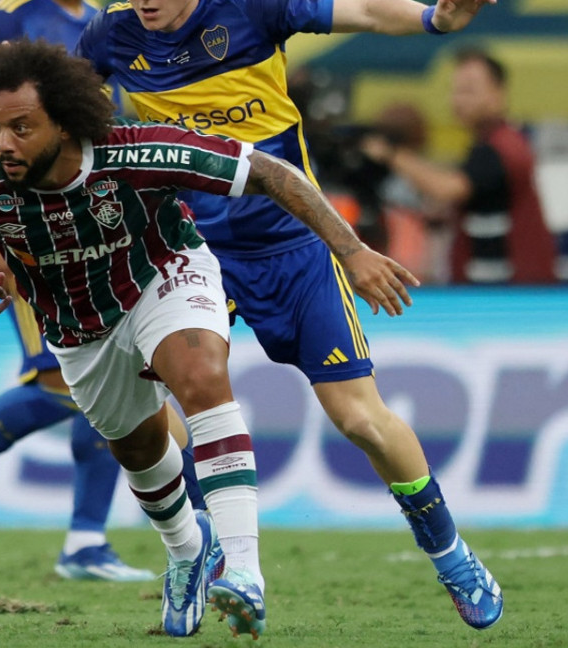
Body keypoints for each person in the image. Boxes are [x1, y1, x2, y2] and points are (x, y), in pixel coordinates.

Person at [0, 39, 419, 639]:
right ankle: (186, 550)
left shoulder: (135, 149)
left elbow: (270, 171)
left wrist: (351, 250)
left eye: (22, 128)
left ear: (66, 122)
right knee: (140, 451)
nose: (3, 144)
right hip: (77, 322)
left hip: (163, 273)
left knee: (202, 378)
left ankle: (245, 573)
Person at [75, 0, 503, 631]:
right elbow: (57, 107)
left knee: (360, 419)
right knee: (157, 410)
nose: (143, 1)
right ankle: (197, 551)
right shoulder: (113, 34)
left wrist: (436, 18)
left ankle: (451, 556)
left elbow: (361, 9)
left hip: (294, 243)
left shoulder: (251, 9)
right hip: (190, 250)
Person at [0, 0, 171, 583]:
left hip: (95, 235)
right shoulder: (7, 18)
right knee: (59, 381)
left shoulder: (104, 19)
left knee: (111, 388)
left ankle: (85, 541)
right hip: (27, 236)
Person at [362, 47, 557, 284]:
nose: (458, 100)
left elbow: (448, 189)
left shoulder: (502, 148)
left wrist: (391, 153)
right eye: (455, 91)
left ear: (498, 93)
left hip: (514, 292)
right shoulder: (491, 145)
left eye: (468, 90)